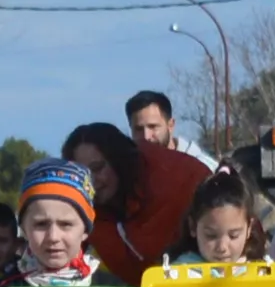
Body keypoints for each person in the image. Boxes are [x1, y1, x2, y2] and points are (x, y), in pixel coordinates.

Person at [65, 116, 211, 273]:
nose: (91, 181)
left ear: (117, 160)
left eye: (98, 168)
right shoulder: (82, 202)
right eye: (81, 173)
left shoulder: (172, 178)